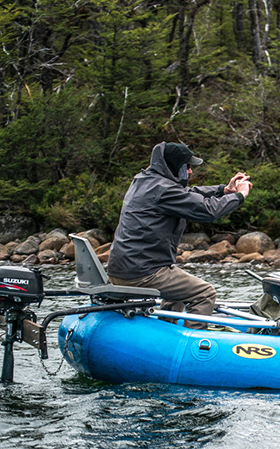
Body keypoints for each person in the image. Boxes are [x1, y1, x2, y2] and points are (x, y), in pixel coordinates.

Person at [107, 141, 252, 329]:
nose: (190, 172)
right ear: (174, 166)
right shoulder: (164, 190)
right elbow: (209, 211)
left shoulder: (145, 180)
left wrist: (223, 190)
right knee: (204, 293)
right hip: (142, 272)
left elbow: (190, 194)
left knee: (177, 284)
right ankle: (194, 344)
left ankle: (167, 331)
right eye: (187, 166)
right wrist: (239, 196)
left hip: (122, 269)